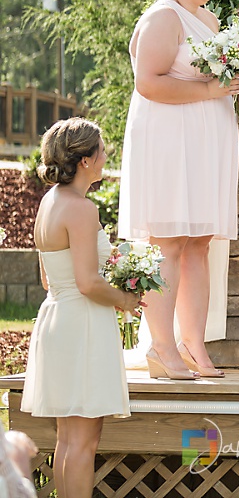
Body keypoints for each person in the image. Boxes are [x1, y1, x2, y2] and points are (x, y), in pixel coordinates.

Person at [118, 0, 239, 379]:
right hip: (171, 140)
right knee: (168, 242)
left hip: (206, 141)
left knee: (199, 242)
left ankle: (193, 344)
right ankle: (161, 347)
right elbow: (148, 83)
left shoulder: (209, 20)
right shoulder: (162, 18)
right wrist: (209, 91)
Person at [24, 119, 142, 498]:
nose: (106, 156)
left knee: (68, 439)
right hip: (81, 326)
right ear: (86, 160)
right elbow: (88, 283)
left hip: (57, 318)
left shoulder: (49, 202)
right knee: (84, 440)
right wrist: (126, 300)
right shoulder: (81, 208)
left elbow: (48, 279)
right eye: (102, 150)